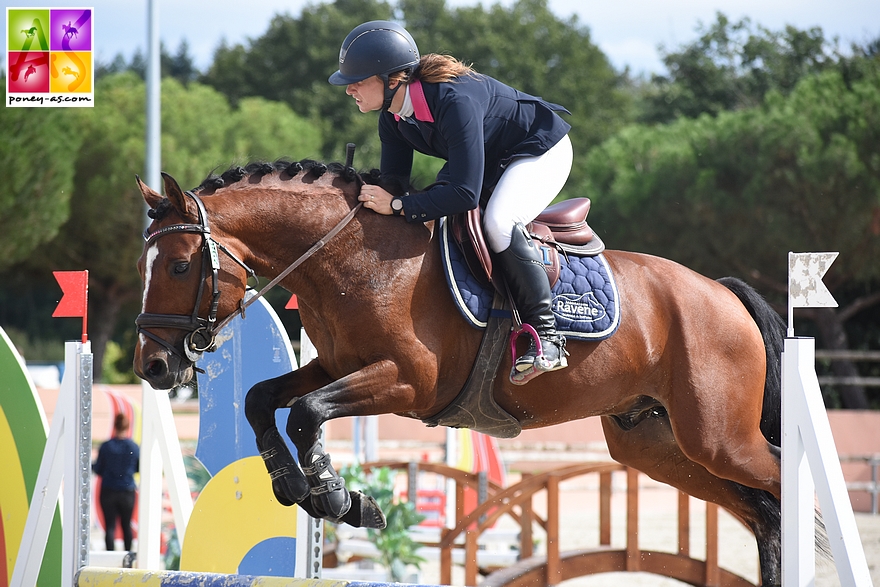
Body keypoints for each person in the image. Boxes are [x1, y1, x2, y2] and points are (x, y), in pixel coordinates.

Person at [329, 20, 573, 384]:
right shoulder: (392, 118)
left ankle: (549, 338)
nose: (349, 90)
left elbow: (463, 193)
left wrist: (397, 207)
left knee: (498, 223)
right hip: (495, 158)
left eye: (358, 81)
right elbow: (393, 183)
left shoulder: (454, 101)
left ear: (392, 79)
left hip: (539, 151)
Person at [92, 412, 139, 551]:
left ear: (115, 426)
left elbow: (99, 468)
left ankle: (110, 555)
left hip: (108, 490)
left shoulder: (106, 446)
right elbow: (137, 467)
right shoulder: (133, 447)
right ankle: (128, 558)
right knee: (126, 525)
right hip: (127, 490)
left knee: (110, 526)